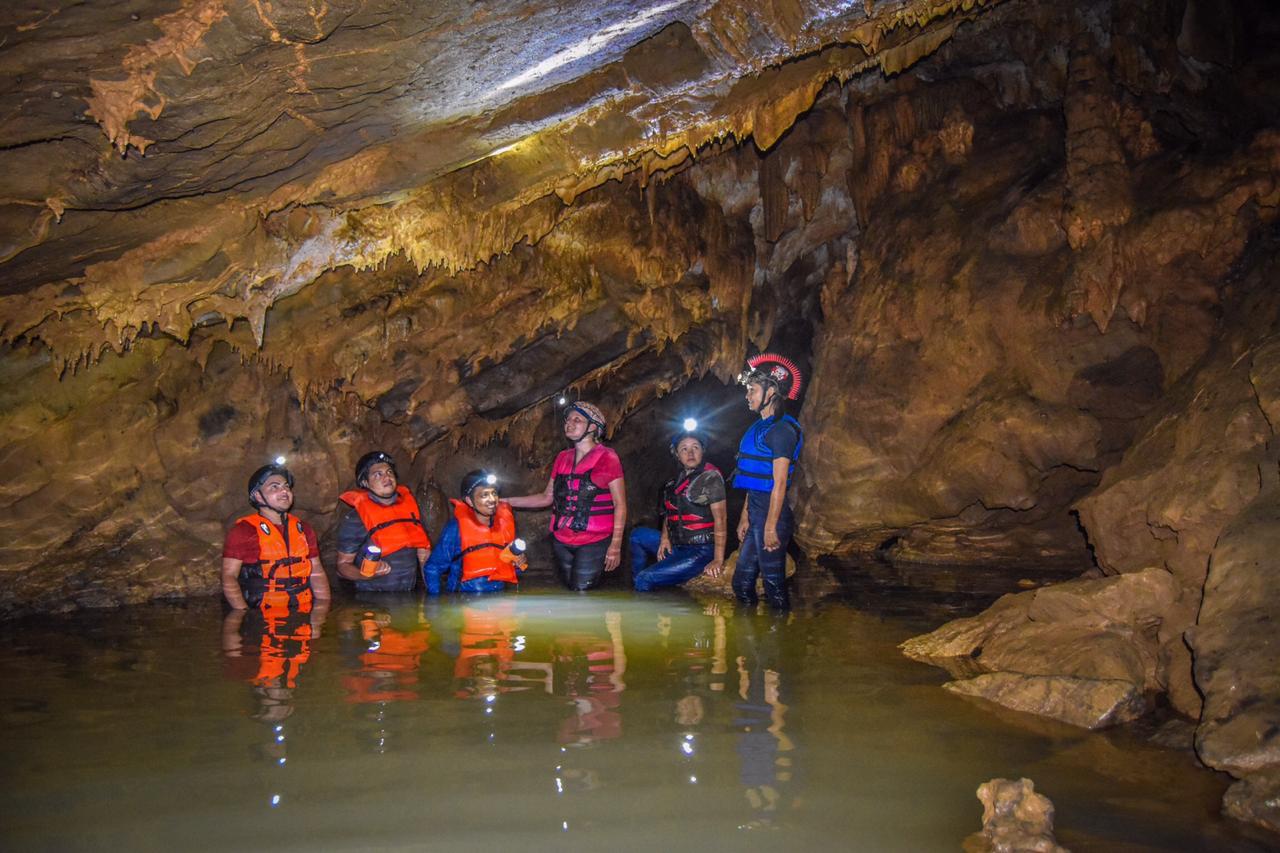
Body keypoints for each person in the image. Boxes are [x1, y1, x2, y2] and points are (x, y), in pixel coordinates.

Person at [507, 401, 626, 591]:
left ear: (593, 426)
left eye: (577, 419)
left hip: (594, 541)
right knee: (570, 590)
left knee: (582, 591)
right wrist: (506, 502)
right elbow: (547, 497)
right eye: (568, 420)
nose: (569, 423)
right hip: (561, 540)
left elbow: (620, 504)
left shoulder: (607, 457)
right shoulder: (563, 457)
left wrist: (615, 546)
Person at [732, 354, 804, 610]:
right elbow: (755, 481)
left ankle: (779, 645)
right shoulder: (760, 427)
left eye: (753, 390)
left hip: (773, 516)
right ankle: (751, 643)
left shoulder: (782, 430)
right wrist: (744, 516)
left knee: (774, 585)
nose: (748, 396)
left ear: (771, 391)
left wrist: (770, 526)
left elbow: (780, 482)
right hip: (757, 513)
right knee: (741, 584)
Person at [221, 462, 332, 611]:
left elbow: (317, 571)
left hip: (302, 610)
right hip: (261, 614)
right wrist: (242, 614)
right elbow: (229, 576)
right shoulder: (243, 531)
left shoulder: (304, 529)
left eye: (286, 486)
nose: (284, 491)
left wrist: (322, 610)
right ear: (258, 496)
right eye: (275, 487)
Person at [630, 425, 727, 591]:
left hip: (700, 552)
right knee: (637, 535)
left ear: (702, 451)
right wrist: (665, 538)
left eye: (695, 448)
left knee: (645, 578)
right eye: (684, 449)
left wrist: (718, 559)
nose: (690, 453)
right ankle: (642, 584)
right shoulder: (674, 482)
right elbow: (671, 512)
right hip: (678, 546)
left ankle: (643, 597)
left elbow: (721, 519)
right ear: (677, 455)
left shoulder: (711, 478)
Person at [336, 451, 432, 592]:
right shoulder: (356, 519)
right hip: (372, 601)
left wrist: (432, 593)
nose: (386, 477)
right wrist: (365, 575)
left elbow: (423, 555)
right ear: (365, 483)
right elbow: (342, 566)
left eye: (389, 472)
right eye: (378, 474)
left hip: (407, 596)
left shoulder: (410, 509)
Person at [423, 470, 527, 595]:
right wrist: (435, 605)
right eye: (484, 495)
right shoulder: (456, 529)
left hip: (498, 598)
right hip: (463, 600)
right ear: (469, 501)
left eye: (494, 493)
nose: (492, 499)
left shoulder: (503, 526)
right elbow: (432, 568)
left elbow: (510, 567)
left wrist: (518, 563)